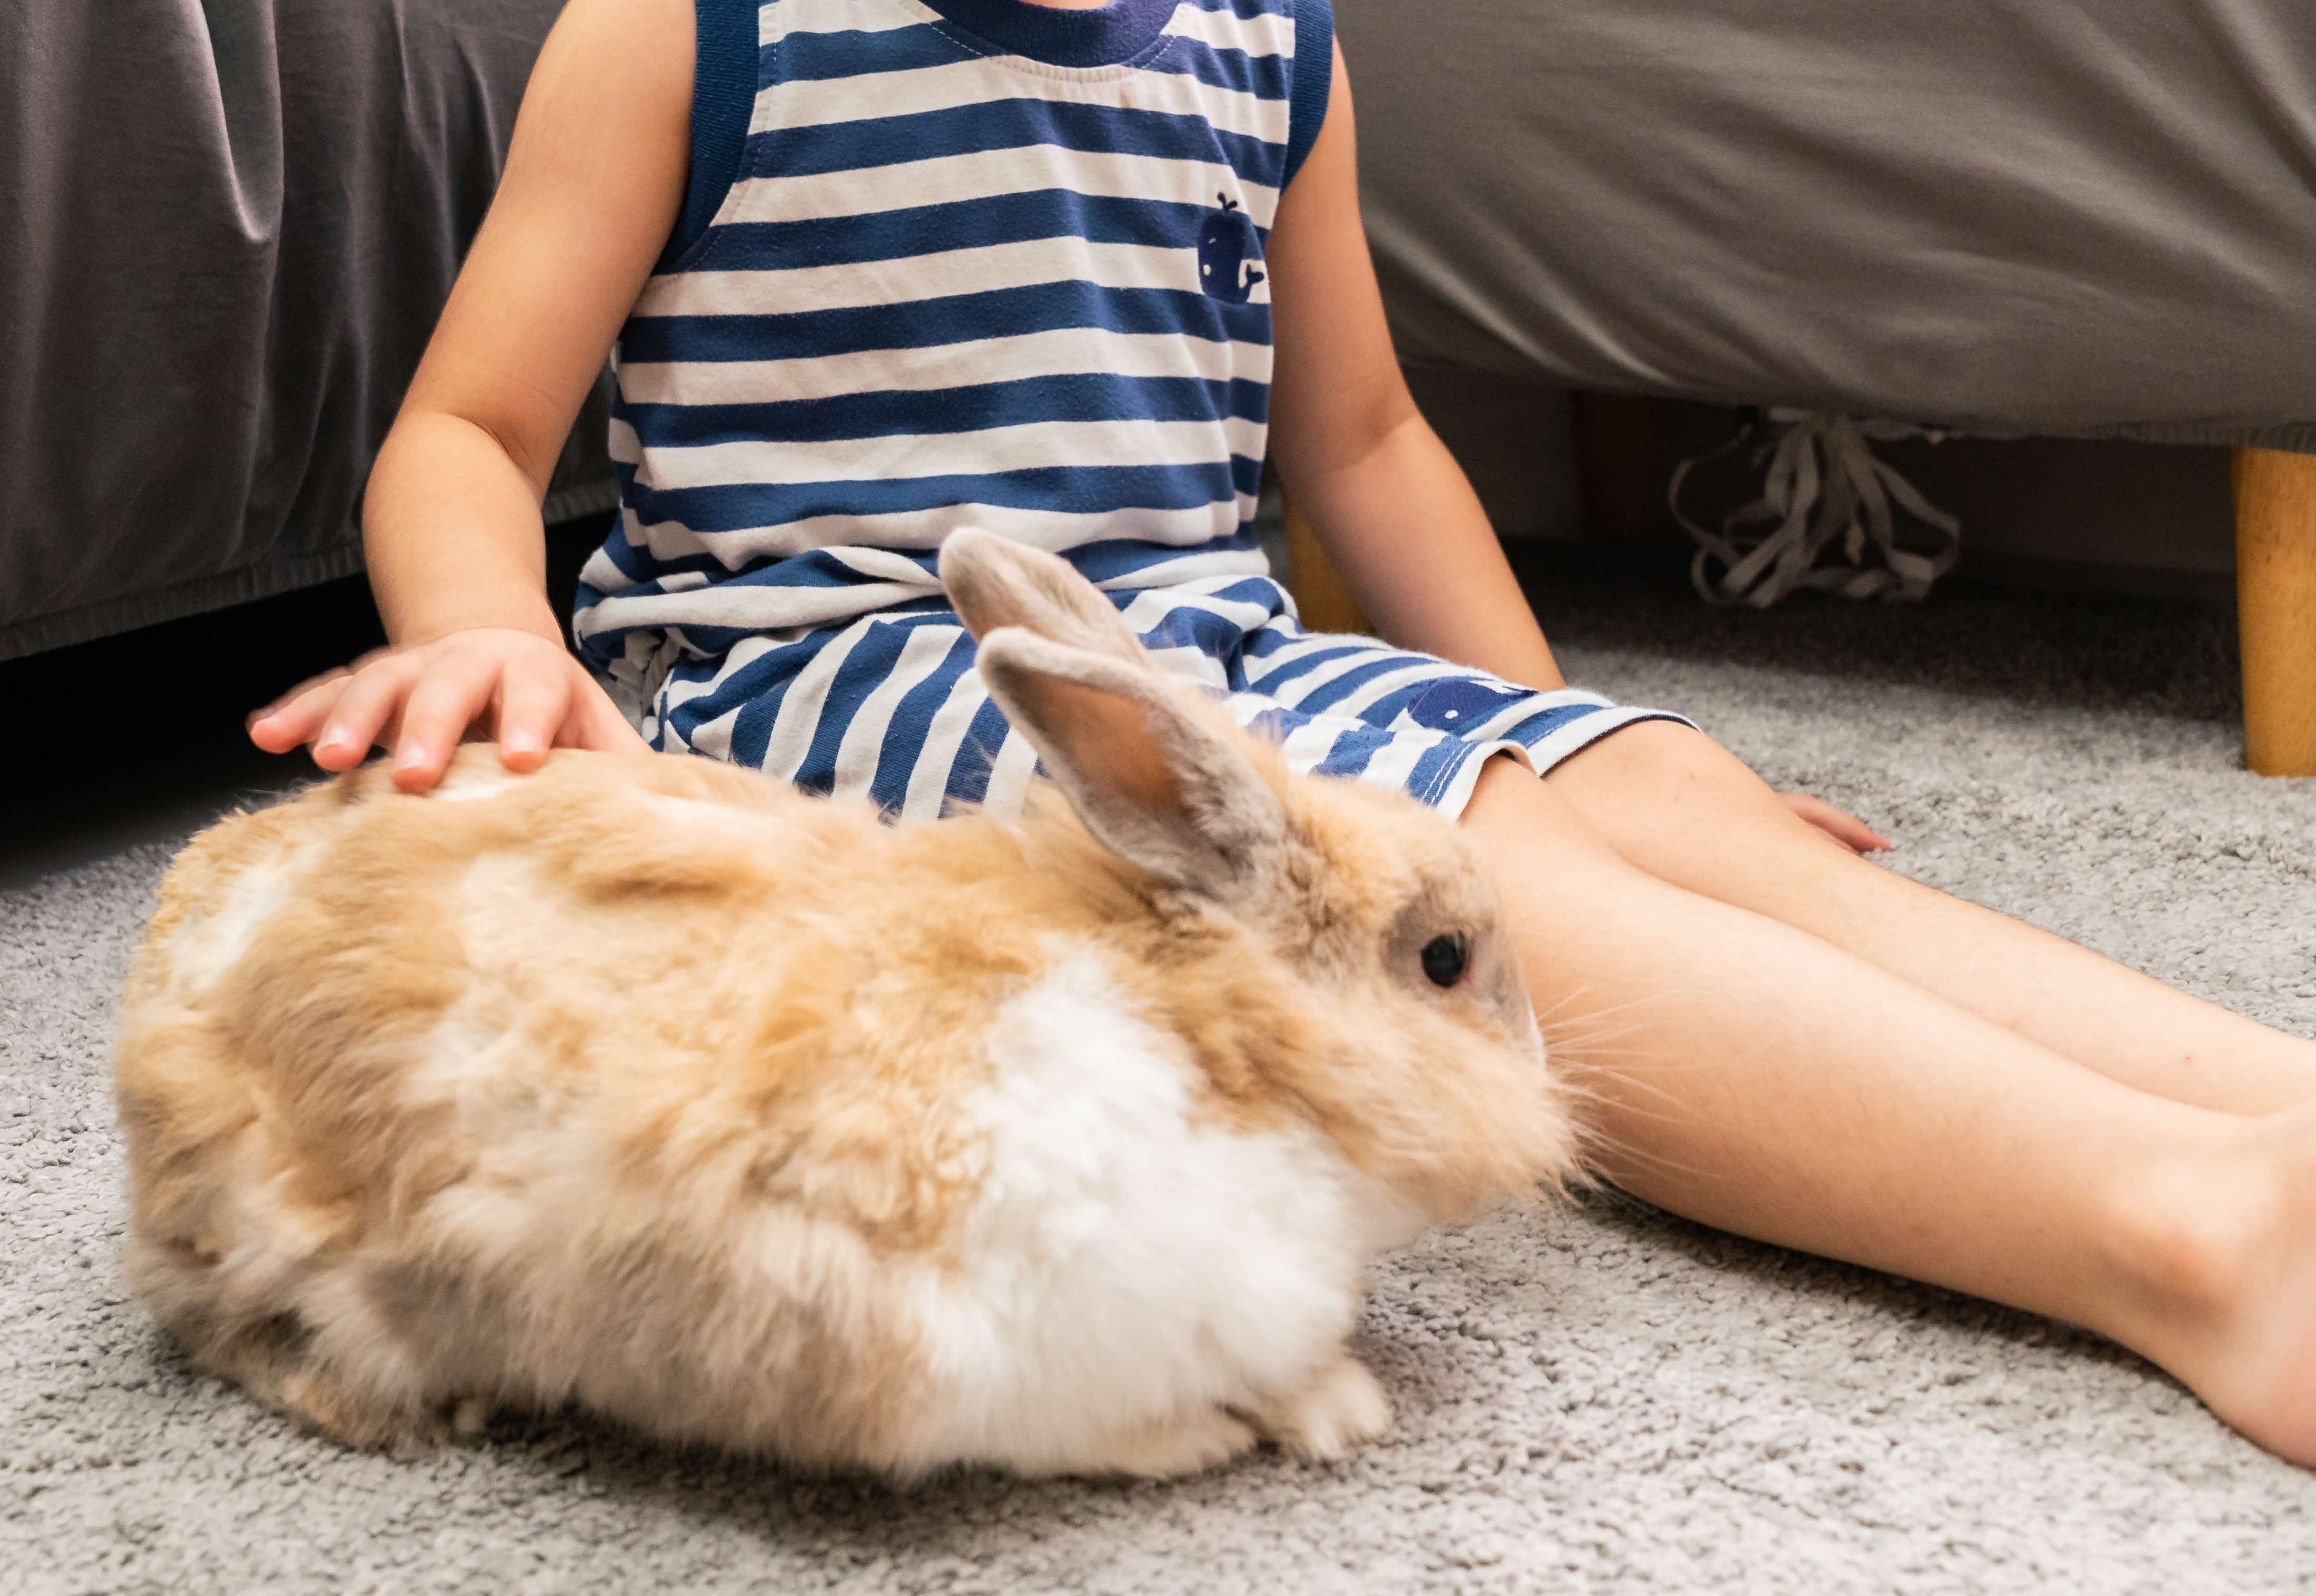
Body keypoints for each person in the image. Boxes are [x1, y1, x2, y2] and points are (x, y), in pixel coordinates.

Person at [248, 0, 2315, 1464]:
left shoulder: (1268, 38)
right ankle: (2192, 1234)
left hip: (1198, 649)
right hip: (833, 670)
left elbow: (1370, 442)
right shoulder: (694, 26)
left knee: (1645, 786)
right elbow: (469, 427)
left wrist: (1555, 723)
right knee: (1458, 895)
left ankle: (2273, 1110)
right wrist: (490, 637)